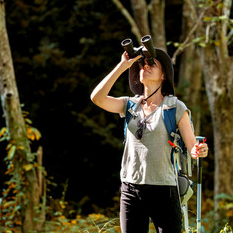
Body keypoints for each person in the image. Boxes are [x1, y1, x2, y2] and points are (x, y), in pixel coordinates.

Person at [90, 45, 209, 233]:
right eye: (143, 64)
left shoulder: (175, 107)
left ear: (164, 76)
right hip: (130, 189)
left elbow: (193, 148)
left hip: (165, 189)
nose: (146, 66)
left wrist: (199, 150)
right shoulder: (129, 105)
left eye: (152, 63)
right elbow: (97, 98)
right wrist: (122, 66)